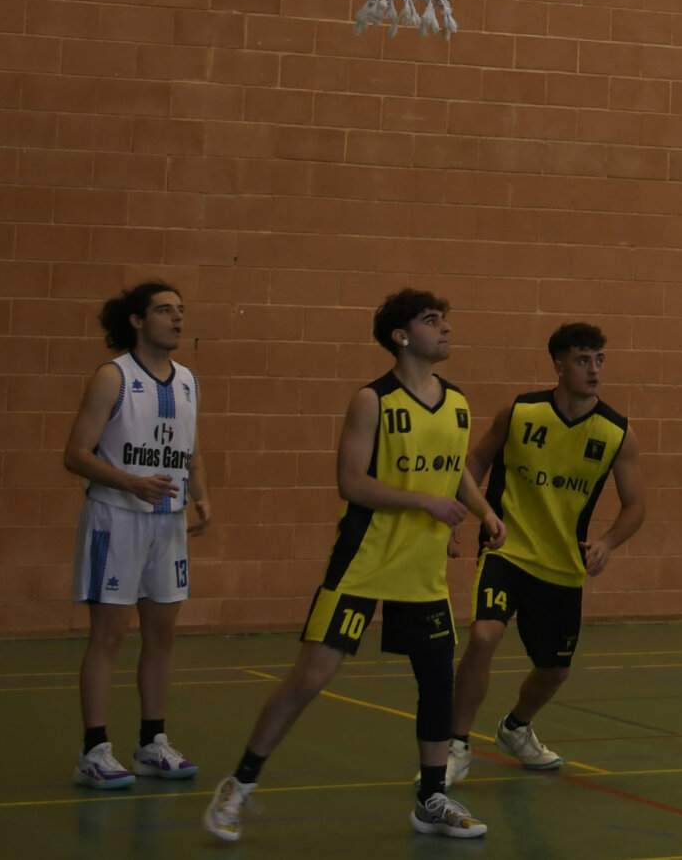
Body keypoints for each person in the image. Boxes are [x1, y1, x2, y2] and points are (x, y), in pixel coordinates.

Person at [203, 289, 503, 844]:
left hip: (423, 569)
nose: (445, 329)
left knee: (438, 682)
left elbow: (454, 467)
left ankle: (431, 797)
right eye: (432, 320)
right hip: (365, 560)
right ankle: (238, 784)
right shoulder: (372, 400)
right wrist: (424, 502)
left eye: (445, 320)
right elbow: (351, 482)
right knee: (310, 678)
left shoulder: (458, 402)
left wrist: (483, 511)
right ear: (401, 336)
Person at [443, 321, 646, 787]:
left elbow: (636, 505)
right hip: (507, 551)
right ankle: (455, 745)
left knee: (554, 671)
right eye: (582, 360)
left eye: (599, 360)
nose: (594, 369)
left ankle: (516, 728)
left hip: (563, 567)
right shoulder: (519, 412)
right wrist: (465, 511)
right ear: (558, 366)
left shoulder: (616, 433)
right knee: (484, 637)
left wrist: (607, 542)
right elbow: (475, 460)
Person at [63, 280, 209, 789]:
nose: (178, 317)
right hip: (116, 518)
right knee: (108, 636)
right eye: (165, 310)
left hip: (168, 522)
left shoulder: (188, 380)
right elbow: (75, 454)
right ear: (137, 320)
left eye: (181, 309)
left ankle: (152, 743)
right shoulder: (113, 377)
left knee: (162, 635)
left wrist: (202, 495)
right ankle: (93, 751)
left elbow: (192, 450)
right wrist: (131, 483)